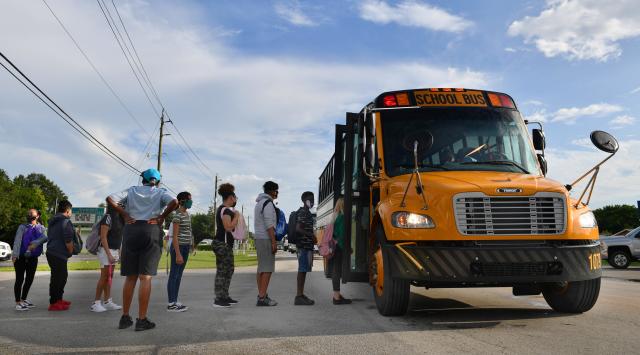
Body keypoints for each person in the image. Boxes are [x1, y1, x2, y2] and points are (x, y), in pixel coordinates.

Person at [107, 168, 178, 331]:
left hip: (131, 229)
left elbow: (110, 198)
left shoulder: (131, 190)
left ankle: (125, 317)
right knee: (145, 278)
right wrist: (162, 216)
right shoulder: (160, 192)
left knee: (130, 277)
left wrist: (124, 214)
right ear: (157, 180)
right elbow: (174, 202)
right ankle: (141, 319)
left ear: (143, 179)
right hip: (150, 229)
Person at [12, 209, 47, 311]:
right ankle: (18, 302)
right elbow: (17, 241)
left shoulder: (41, 228)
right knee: (19, 279)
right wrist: (15, 255)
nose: (29, 216)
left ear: (37, 216)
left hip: (33, 258)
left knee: (29, 279)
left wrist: (35, 244)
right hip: (21, 257)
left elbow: (45, 238)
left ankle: (23, 299)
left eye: (32, 214)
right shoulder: (22, 227)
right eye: (28, 214)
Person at [91, 204, 124, 312]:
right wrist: (109, 254)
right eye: (120, 205)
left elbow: (119, 238)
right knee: (104, 276)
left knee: (110, 276)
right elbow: (103, 237)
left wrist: (119, 252)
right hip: (105, 251)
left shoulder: (120, 218)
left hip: (114, 250)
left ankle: (107, 301)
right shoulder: (108, 217)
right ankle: (96, 303)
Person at [167, 191, 195, 312]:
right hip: (178, 248)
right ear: (182, 201)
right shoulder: (177, 215)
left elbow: (189, 231)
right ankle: (171, 303)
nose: (191, 201)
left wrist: (192, 245)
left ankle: (175, 300)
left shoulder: (187, 214)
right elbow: (175, 236)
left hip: (185, 247)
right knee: (174, 275)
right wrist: (178, 253)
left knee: (179, 276)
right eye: (189, 199)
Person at [212, 183, 239, 308]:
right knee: (223, 271)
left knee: (229, 270)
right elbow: (228, 227)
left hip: (224, 244)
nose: (236, 200)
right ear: (231, 197)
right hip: (222, 244)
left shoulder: (223, 209)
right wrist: (237, 217)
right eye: (235, 197)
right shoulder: (225, 210)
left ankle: (224, 296)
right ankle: (219, 299)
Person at [46, 200, 75, 311]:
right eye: (71, 210)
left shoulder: (53, 220)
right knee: (58, 278)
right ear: (67, 211)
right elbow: (68, 240)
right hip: (59, 254)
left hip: (51, 252)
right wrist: (71, 251)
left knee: (60, 277)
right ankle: (53, 303)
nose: (71, 213)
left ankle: (58, 299)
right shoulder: (66, 222)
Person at [254, 181, 279, 307]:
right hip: (265, 239)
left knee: (261, 269)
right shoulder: (268, 204)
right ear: (272, 191)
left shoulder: (259, 203)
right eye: (276, 190)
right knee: (267, 269)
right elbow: (269, 224)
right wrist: (273, 242)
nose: (277, 193)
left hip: (258, 238)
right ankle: (262, 298)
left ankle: (261, 294)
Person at [294, 191, 316, 305]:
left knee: (303, 270)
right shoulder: (303, 212)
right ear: (304, 200)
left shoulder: (307, 212)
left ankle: (301, 295)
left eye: (313, 199)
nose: (312, 202)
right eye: (310, 199)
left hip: (306, 246)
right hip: (303, 246)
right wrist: (311, 235)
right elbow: (298, 228)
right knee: (302, 270)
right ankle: (299, 296)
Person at [329, 197, 352, 305]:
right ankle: (336, 297)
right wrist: (347, 248)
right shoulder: (342, 217)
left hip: (333, 246)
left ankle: (336, 295)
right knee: (337, 271)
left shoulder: (334, 216)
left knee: (335, 270)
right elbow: (342, 235)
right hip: (339, 247)